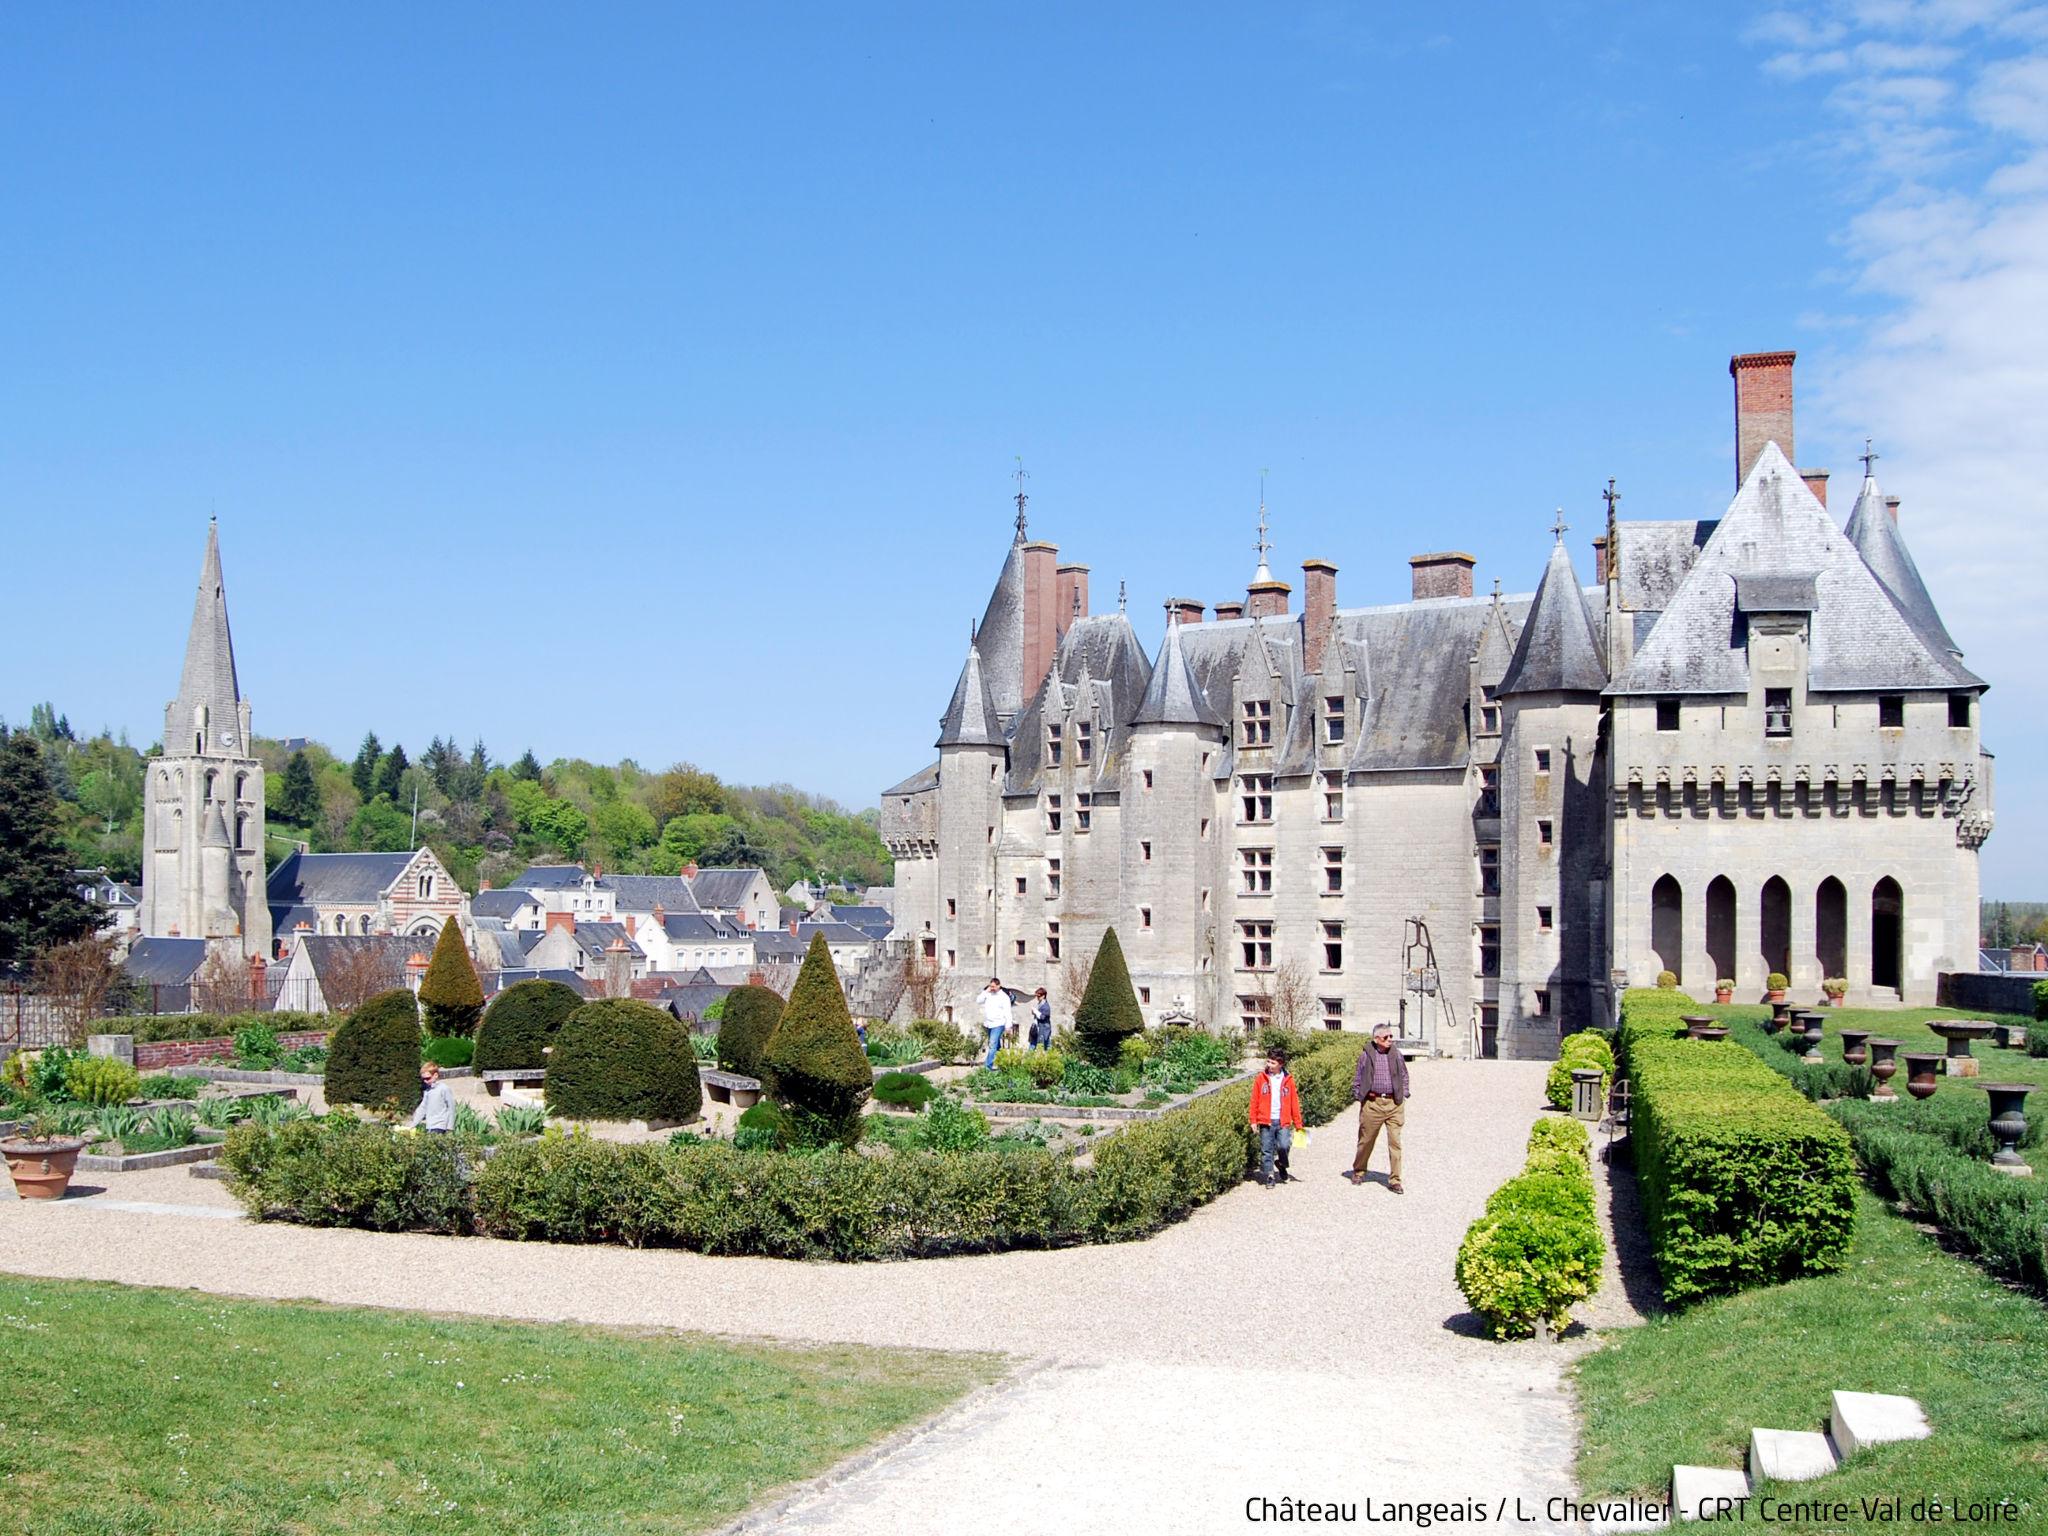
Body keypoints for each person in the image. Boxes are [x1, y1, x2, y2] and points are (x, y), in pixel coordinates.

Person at [1350, 1023, 1410, 1192]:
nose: (1390, 1040)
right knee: (1366, 1140)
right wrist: (1358, 1095)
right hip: (1373, 1104)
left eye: (1391, 1036)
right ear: (1376, 1039)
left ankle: (1395, 1180)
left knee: (1395, 1142)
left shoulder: (1396, 1055)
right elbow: (1358, 1077)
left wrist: (1404, 1092)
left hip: (1394, 1104)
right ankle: (1359, 1170)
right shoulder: (1366, 1056)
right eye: (1386, 1037)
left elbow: (1404, 1075)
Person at [1247, 1047, 1304, 1186]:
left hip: (1282, 1120)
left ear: (1281, 1064)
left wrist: (1298, 1125)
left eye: (1273, 1063)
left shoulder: (1288, 1080)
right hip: (1266, 1121)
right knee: (1267, 1149)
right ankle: (1270, 1175)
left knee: (1284, 1146)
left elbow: (1294, 1102)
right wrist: (1253, 1120)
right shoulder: (1261, 1079)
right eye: (1268, 1062)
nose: (1269, 1065)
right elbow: (1254, 1099)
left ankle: (1281, 1164)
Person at [408, 1060, 456, 1134]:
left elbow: (451, 1107)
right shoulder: (428, 1091)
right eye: (423, 1079)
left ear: (435, 1075)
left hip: (440, 1125)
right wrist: (413, 1124)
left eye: (428, 1078)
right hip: (430, 1125)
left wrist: (450, 1127)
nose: (425, 1081)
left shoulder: (444, 1088)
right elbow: (423, 1107)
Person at [978, 978, 1012, 1069]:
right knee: (996, 1046)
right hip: (989, 1024)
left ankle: (987, 1066)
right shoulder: (988, 994)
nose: (991, 988)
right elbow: (979, 1000)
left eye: (993, 986)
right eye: (990, 986)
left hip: (999, 1023)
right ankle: (1003, 1063)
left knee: (992, 1044)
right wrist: (986, 991)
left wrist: (1008, 1026)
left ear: (998, 986)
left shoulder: (1004, 997)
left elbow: (1008, 1012)